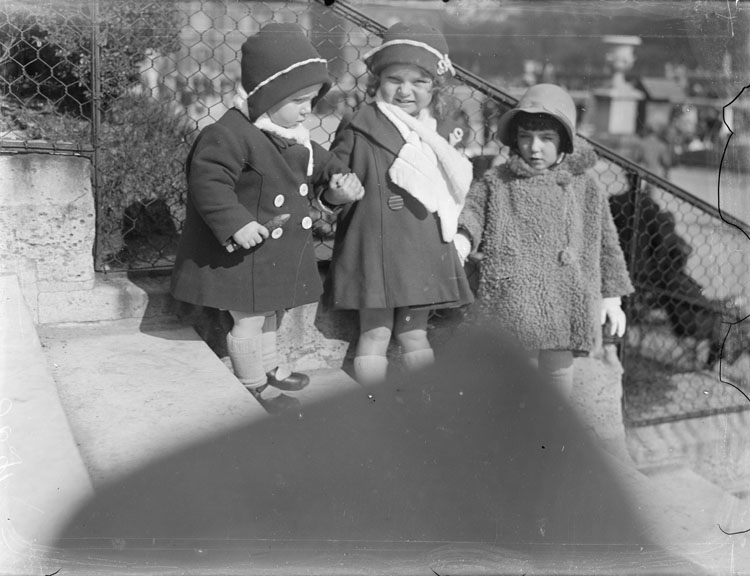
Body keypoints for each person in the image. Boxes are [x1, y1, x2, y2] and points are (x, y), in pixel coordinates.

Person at [171, 23, 363, 413]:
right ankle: (253, 383)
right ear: (267, 95)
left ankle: (271, 365)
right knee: (249, 319)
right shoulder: (230, 133)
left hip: (272, 250)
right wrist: (235, 222)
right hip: (245, 250)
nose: (307, 110)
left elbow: (322, 163)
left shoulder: (290, 131)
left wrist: (339, 180)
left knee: (269, 309)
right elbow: (208, 181)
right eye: (299, 100)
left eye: (313, 99)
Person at [320, 22, 475, 387]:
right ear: (377, 82)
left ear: (434, 87)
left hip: (423, 245)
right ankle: (373, 405)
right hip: (377, 245)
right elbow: (332, 175)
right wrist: (336, 191)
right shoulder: (359, 124)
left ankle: (424, 401)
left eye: (419, 81)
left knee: (414, 334)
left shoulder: (440, 130)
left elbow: (454, 188)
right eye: (395, 79)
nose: (405, 90)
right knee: (375, 333)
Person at [455, 83, 634, 396]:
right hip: (515, 294)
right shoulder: (499, 181)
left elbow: (608, 242)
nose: (534, 148)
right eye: (525, 136)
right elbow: (473, 211)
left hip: (565, 298)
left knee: (557, 378)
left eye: (546, 138)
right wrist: (463, 238)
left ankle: (550, 440)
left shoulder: (585, 185)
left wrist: (612, 296)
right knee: (512, 378)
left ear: (564, 141)